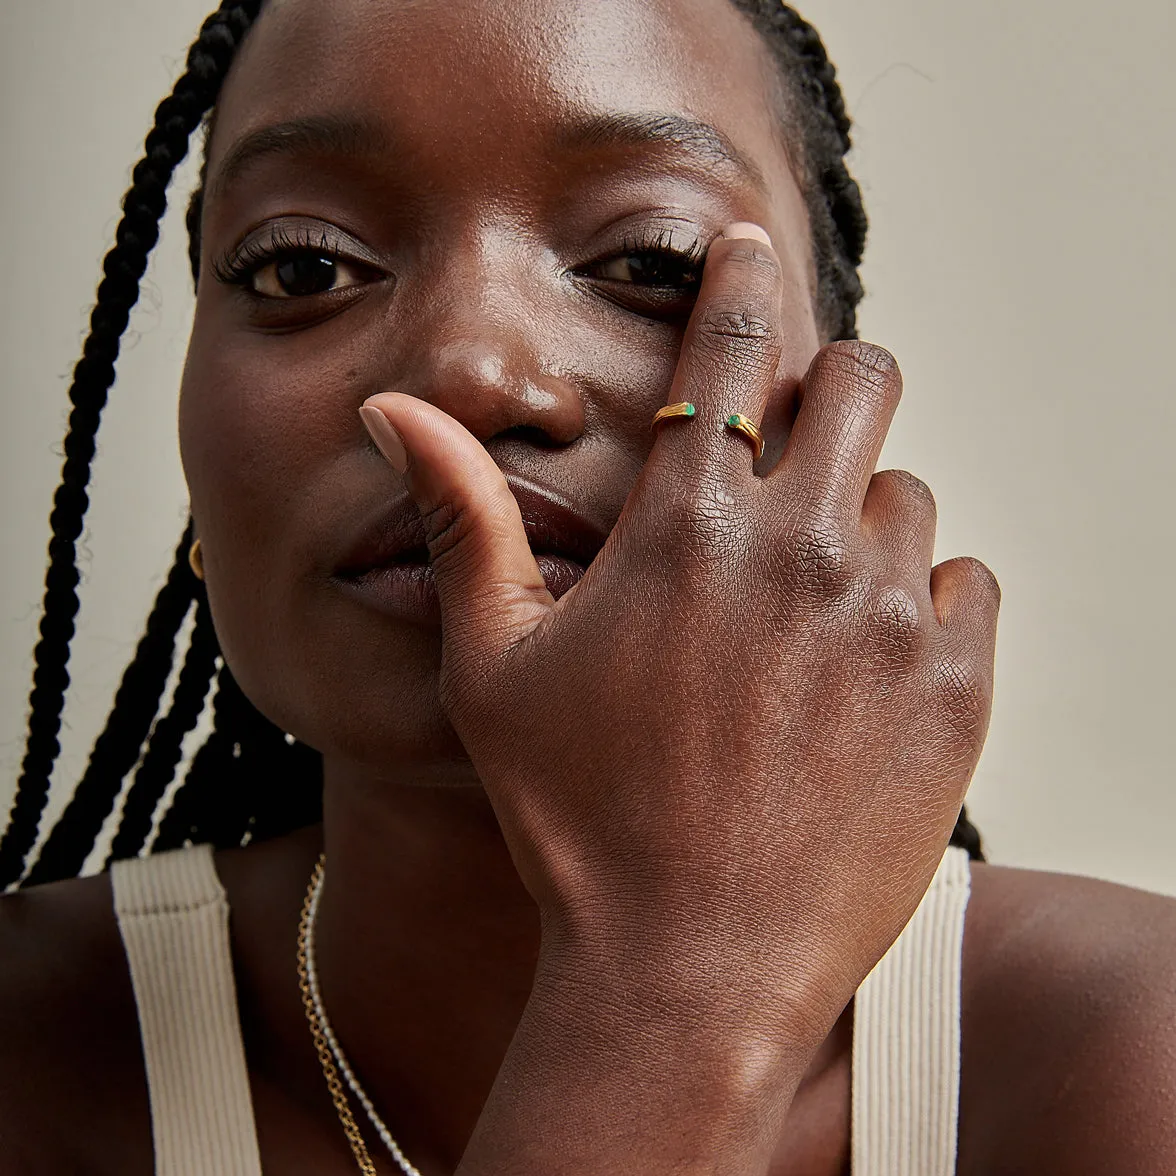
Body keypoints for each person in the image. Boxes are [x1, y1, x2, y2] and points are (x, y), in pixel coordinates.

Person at [1, 0, 1173, 1172]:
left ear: (828, 412)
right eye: (305, 265)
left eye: (652, 263)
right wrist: (675, 992)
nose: (473, 369)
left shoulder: (1126, 1052)